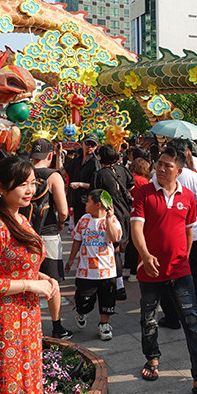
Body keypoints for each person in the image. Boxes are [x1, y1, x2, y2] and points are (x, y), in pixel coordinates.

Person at [130, 146, 197, 394]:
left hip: (180, 271)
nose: (160, 168)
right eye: (159, 163)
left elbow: (190, 230)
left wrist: (185, 257)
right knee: (148, 318)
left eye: (167, 165)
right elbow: (136, 228)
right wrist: (146, 255)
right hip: (149, 269)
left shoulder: (188, 197)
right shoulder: (144, 193)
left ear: (179, 171)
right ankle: (152, 358)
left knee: (192, 322)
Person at [0, 156, 59, 394]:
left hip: (27, 316)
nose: (30, 190)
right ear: (0, 187)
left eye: (32, 183)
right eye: (22, 184)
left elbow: (15, 266)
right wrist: (30, 284)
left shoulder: (21, 219)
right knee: (7, 386)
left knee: (26, 383)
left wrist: (41, 277)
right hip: (4, 321)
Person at [154, 139, 197, 329]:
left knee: (168, 278)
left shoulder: (158, 177)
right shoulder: (193, 176)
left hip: (170, 237)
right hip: (193, 235)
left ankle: (172, 318)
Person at [24, 139, 72, 340]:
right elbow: (62, 210)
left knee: (26, 277)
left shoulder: (23, 172)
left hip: (24, 232)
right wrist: (61, 222)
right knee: (52, 280)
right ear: (50, 156)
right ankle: (57, 326)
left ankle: (26, 324)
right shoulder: (53, 176)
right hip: (48, 231)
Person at [65, 189, 122, 341]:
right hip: (86, 271)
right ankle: (81, 312)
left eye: (89, 201)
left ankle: (104, 325)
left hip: (107, 271)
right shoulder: (84, 219)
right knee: (84, 301)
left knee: (107, 301)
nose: (86, 203)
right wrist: (71, 259)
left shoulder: (113, 220)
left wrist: (109, 219)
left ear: (98, 204)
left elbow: (114, 238)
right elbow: (77, 239)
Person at [91, 144, 135, 301]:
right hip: (126, 212)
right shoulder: (123, 169)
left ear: (101, 157)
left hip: (111, 214)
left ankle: (119, 285)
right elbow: (131, 184)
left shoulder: (99, 174)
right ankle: (129, 276)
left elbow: (96, 194)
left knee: (114, 249)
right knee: (126, 244)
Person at [65, 133, 101, 225]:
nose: (89, 147)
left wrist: (80, 184)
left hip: (87, 202)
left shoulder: (95, 163)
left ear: (96, 147)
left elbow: (96, 185)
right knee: (78, 228)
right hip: (76, 200)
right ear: (83, 143)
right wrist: (58, 154)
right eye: (88, 143)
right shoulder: (77, 159)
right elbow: (63, 170)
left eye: (93, 145)